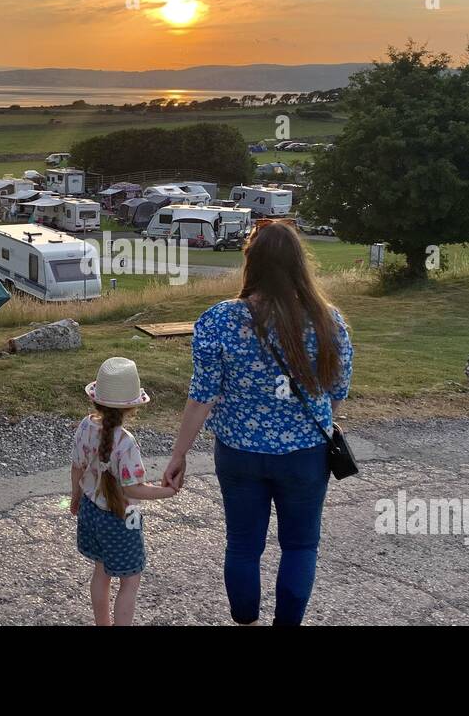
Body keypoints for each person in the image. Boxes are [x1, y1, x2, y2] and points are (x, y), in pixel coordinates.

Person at [163, 219, 353, 625]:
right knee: (300, 547)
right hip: (305, 455)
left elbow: (203, 395)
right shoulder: (329, 321)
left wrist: (179, 454)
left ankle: (245, 619)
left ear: (251, 262)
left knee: (243, 546)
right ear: (299, 263)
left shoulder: (219, 320)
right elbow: (337, 393)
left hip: (239, 454)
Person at [71, 357, 178, 625]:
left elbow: (77, 467)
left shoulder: (85, 426)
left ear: (96, 399)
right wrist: (167, 492)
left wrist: (75, 497)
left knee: (101, 571)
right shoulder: (126, 443)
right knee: (129, 580)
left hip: (90, 510)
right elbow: (133, 488)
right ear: (131, 407)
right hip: (122, 519)